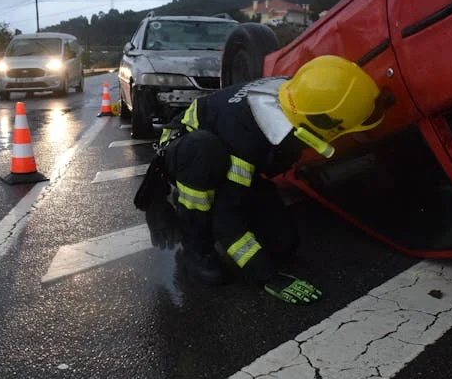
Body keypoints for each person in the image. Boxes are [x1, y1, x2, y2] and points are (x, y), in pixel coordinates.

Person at [140, 55, 382, 304]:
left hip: (228, 149)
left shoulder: (300, 94)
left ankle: (219, 199)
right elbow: (228, 221)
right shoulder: (247, 137)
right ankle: (196, 247)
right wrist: (267, 275)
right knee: (205, 155)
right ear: (322, 124)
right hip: (187, 149)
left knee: (283, 244)